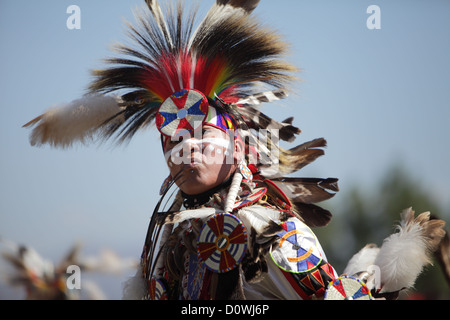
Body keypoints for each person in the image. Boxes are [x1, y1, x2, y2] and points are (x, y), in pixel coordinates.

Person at [24, 0, 447, 300]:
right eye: (170, 140)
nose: (185, 152)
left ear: (239, 142)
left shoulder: (276, 235)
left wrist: (370, 281)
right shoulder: (167, 240)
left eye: (200, 137)